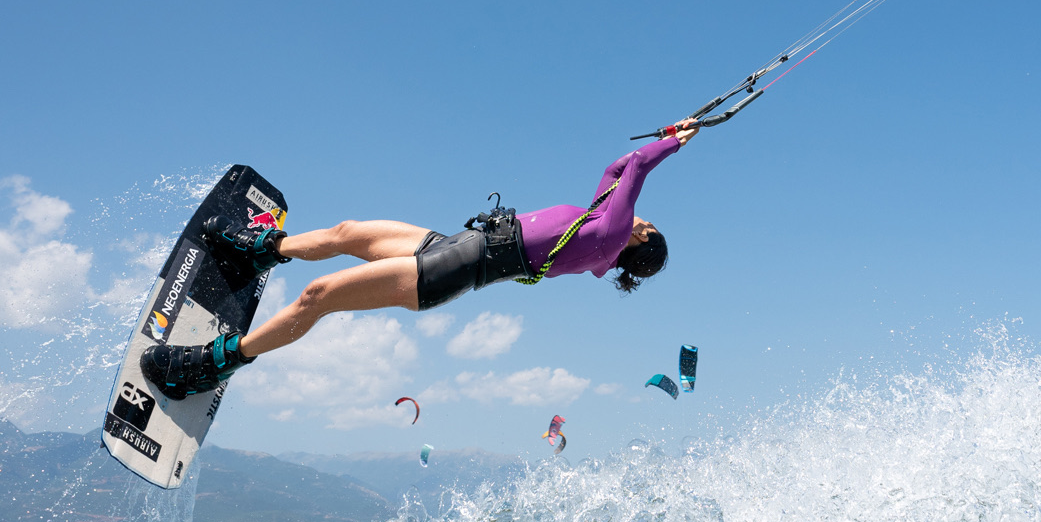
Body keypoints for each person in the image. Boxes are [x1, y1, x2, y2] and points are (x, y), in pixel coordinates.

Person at [141, 123, 699, 399]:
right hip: (453, 244)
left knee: (319, 297)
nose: (645, 219)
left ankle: (219, 361)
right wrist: (664, 135)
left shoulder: (610, 239)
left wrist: (675, 141)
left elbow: (637, 168)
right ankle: (262, 250)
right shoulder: (601, 227)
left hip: (449, 270)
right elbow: (617, 167)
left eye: (649, 226)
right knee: (348, 232)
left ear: (643, 239)